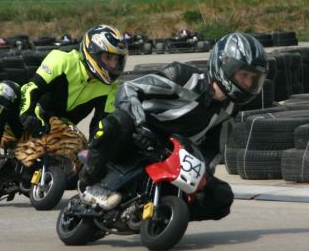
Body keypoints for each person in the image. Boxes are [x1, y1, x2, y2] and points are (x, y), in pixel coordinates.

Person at [78, 32, 268, 221]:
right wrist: (140, 123)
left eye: (253, 78)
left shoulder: (230, 109)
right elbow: (129, 89)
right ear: (225, 66)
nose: (249, 83)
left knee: (222, 197)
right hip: (137, 139)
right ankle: (90, 183)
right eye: (244, 75)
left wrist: (201, 177)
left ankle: (165, 214)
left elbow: (212, 152)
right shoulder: (183, 76)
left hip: (170, 156)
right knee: (117, 122)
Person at [0, 24, 128, 169]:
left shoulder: (110, 88)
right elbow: (31, 88)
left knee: (83, 152)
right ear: (92, 51)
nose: (113, 65)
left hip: (57, 132)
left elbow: (101, 125)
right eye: (108, 58)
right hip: (29, 119)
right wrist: (27, 115)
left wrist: (98, 152)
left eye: (117, 60)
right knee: (5, 90)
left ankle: (47, 166)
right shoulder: (62, 60)